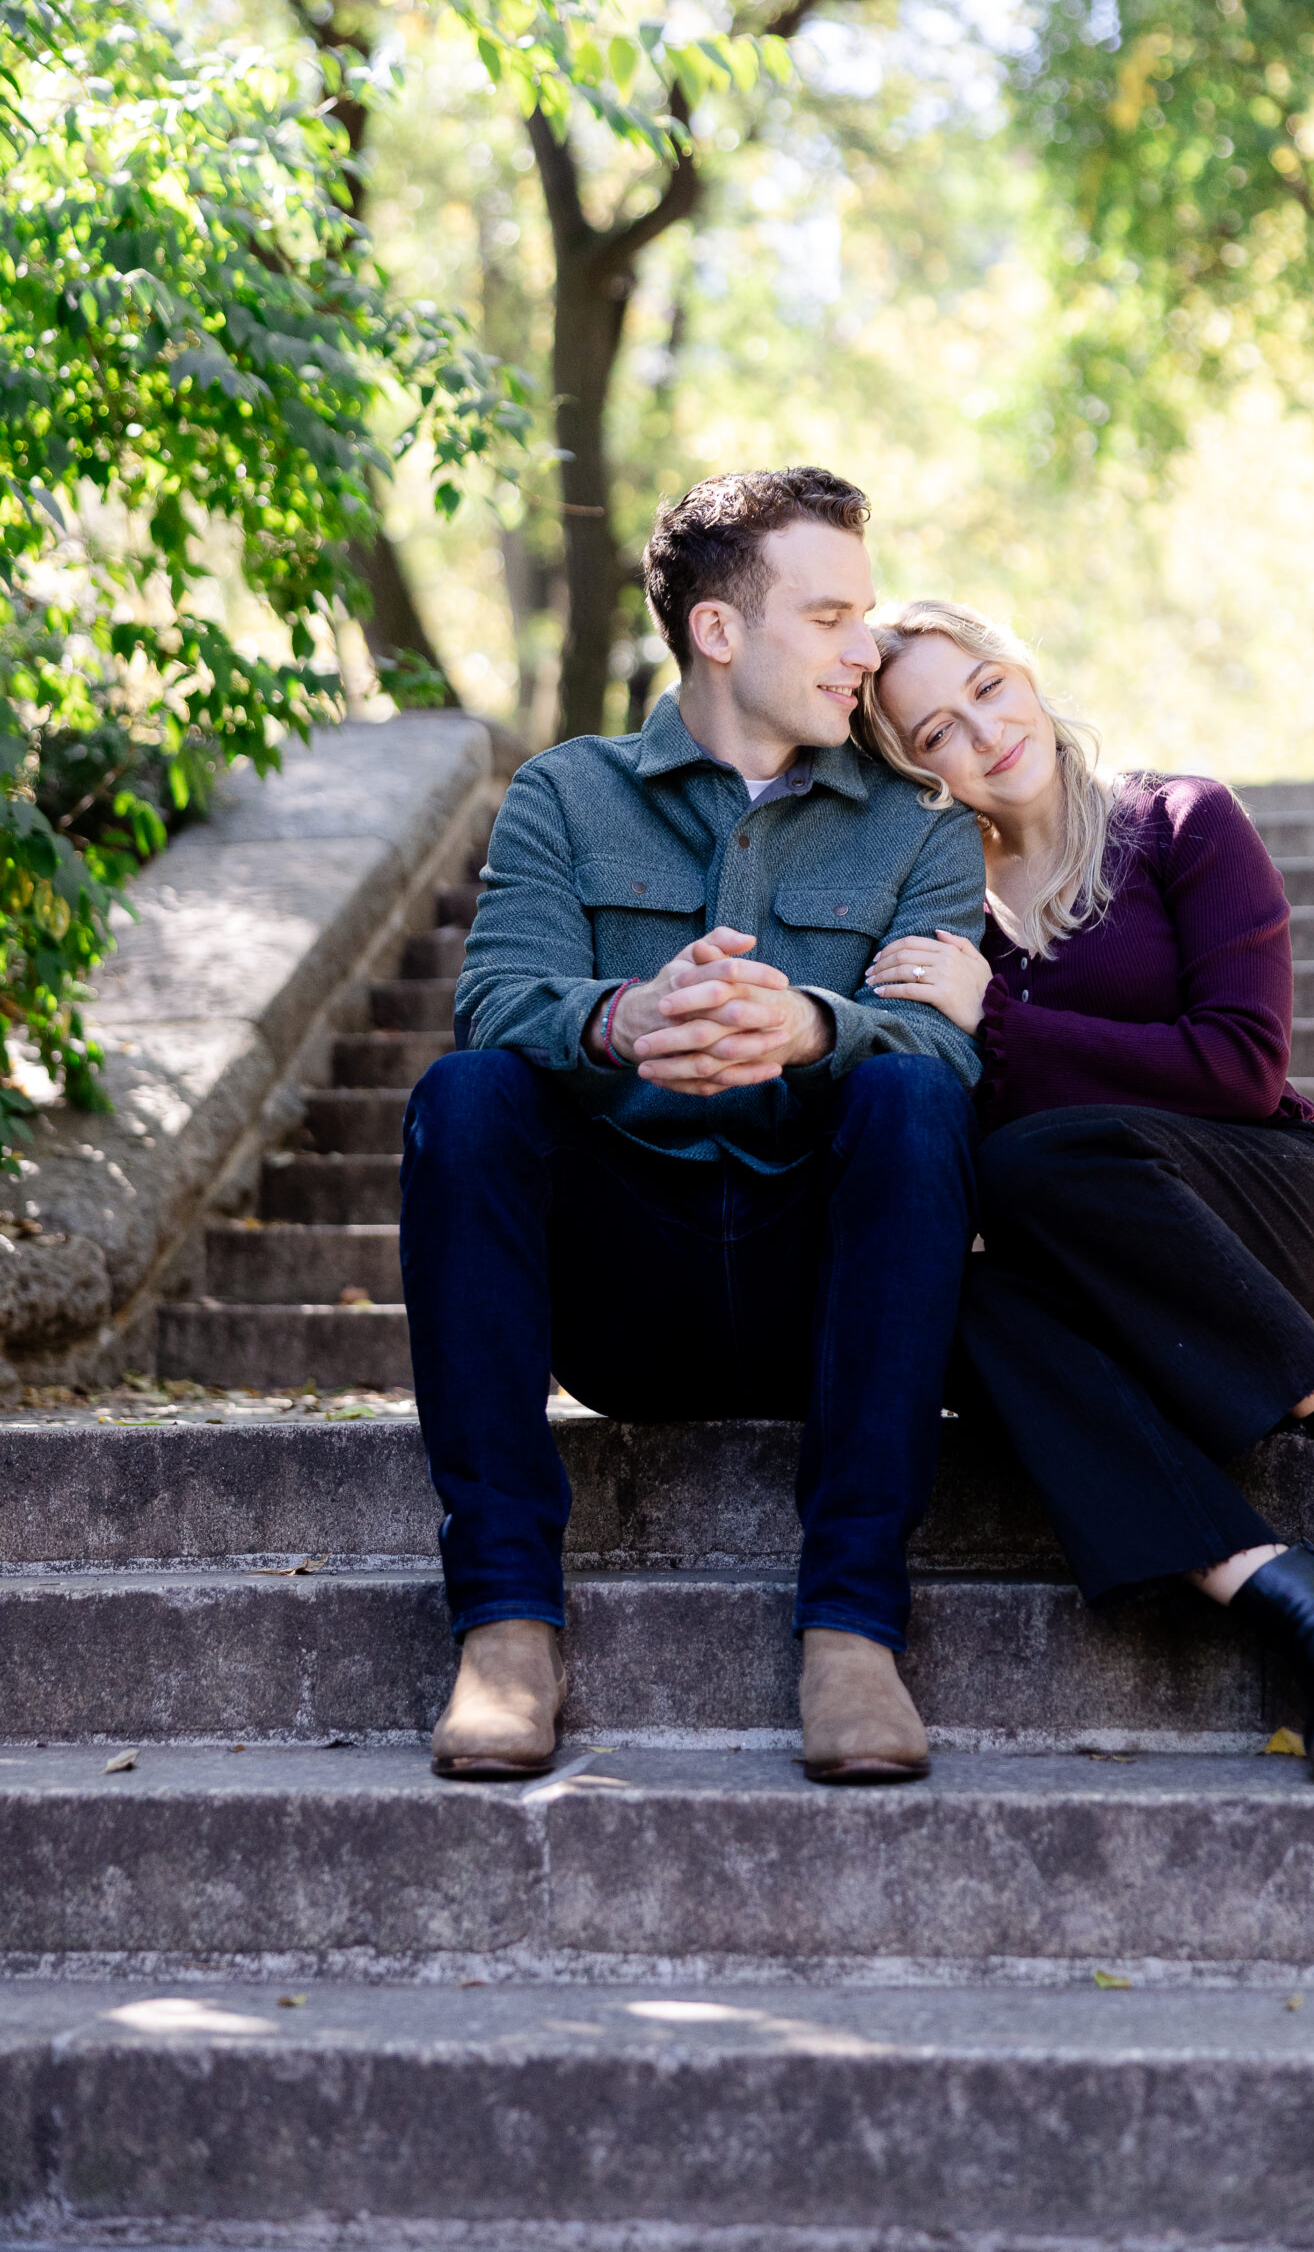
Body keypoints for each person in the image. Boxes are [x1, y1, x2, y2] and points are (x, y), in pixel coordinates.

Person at [401, 474, 986, 1787]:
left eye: (866, 615)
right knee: (468, 1093)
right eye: (830, 614)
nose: (866, 649)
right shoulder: (565, 793)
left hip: (813, 1289)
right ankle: (503, 1628)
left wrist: (812, 1031)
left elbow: (945, 1039)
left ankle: (850, 1634)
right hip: (626, 1293)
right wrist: (623, 1018)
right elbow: (496, 993)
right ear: (719, 631)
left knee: (909, 1091)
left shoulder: (916, 830)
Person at [859, 599, 1314, 1783]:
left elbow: (1243, 1067)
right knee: (964, 1306)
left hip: (1272, 1224)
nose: (985, 731)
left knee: (1035, 1157)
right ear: (911, 769)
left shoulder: (1180, 820)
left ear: (1023, 668)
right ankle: (1303, 1609)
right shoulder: (944, 932)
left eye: (988, 685)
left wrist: (1001, 1018)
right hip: (1121, 1303)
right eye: (936, 730)